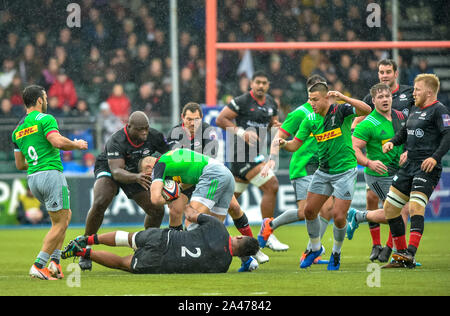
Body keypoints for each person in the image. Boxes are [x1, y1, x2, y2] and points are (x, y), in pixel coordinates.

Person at [274, 82, 371, 270]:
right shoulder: (310, 119)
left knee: (339, 216)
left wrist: (344, 97)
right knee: (309, 211)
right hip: (323, 171)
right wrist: (284, 144)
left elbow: (367, 109)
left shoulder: (341, 111)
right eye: (310, 99)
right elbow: (295, 144)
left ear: (327, 98)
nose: (312, 103)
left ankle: (336, 252)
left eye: (315, 99)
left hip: (345, 171)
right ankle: (316, 248)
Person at [166, 102, 270, 265]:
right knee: (176, 212)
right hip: (186, 181)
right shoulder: (174, 133)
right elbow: (176, 162)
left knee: (234, 208)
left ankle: (253, 249)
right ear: (182, 118)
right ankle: (177, 250)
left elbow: (207, 163)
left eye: (197, 119)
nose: (193, 123)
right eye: (189, 119)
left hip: (207, 178)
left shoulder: (208, 132)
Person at [12, 85, 88, 280]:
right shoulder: (46, 119)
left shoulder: (17, 130)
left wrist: (37, 161)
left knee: (65, 216)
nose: (45, 101)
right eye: (44, 98)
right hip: (51, 175)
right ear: (39, 100)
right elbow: (57, 142)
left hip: (33, 178)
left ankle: (55, 263)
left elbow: (20, 164)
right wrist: (77, 144)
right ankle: (39, 264)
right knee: (60, 223)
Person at [141, 148, 259, 272]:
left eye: (148, 175)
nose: (150, 178)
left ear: (149, 167)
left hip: (212, 174)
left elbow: (155, 200)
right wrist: (179, 190)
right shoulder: (171, 157)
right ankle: (247, 260)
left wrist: (170, 198)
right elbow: (191, 176)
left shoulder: (159, 165)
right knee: (215, 229)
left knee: (191, 222)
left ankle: (191, 260)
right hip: (225, 173)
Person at [79, 111, 170, 271]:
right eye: (140, 129)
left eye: (146, 129)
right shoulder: (116, 140)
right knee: (101, 202)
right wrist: (136, 177)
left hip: (135, 172)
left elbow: (170, 154)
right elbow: (116, 172)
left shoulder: (154, 135)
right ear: (129, 127)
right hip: (111, 169)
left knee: (157, 210)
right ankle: (83, 248)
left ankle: (146, 247)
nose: (144, 132)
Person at [377, 74, 449, 268]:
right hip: (408, 166)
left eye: (417, 90)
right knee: (390, 208)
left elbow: (448, 135)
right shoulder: (415, 109)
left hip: (427, 168)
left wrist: (435, 157)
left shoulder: (439, 110)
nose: (413, 93)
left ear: (429, 92)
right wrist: (392, 142)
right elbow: (405, 132)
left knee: (416, 207)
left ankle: (410, 253)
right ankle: (400, 255)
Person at [261, 75, 333, 264]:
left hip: (323, 166)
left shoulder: (331, 111)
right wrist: (272, 160)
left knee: (325, 210)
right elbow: (279, 135)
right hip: (304, 166)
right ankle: (271, 225)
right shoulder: (300, 113)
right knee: (308, 211)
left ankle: (312, 250)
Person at [61, 205, 260, 274]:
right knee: (123, 263)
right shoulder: (223, 266)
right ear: (241, 255)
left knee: (127, 238)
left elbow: (190, 215)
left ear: (239, 236)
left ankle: (87, 239)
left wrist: (180, 196)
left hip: (165, 237)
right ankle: (81, 252)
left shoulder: (219, 228)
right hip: (163, 262)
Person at [216, 70, 288, 252]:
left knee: (228, 202)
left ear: (268, 85)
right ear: (251, 84)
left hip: (256, 155)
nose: (261, 86)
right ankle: (268, 234)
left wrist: (275, 126)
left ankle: (207, 231)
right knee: (272, 186)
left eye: (264, 83)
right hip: (241, 155)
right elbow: (220, 119)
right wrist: (241, 132)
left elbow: (272, 123)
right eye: (258, 82)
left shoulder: (271, 103)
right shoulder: (241, 101)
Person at [351, 59, 415, 255]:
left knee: (400, 210)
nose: (384, 75)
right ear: (374, 100)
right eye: (381, 72)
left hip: (399, 168)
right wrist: (367, 159)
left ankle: (391, 249)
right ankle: (384, 246)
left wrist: (407, 151)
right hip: (379, 171)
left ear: (396, 73)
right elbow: (354, 143)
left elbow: (410, 132)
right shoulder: (369, 118)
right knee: (396, 209)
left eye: (388, 71)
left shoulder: (405, 105)